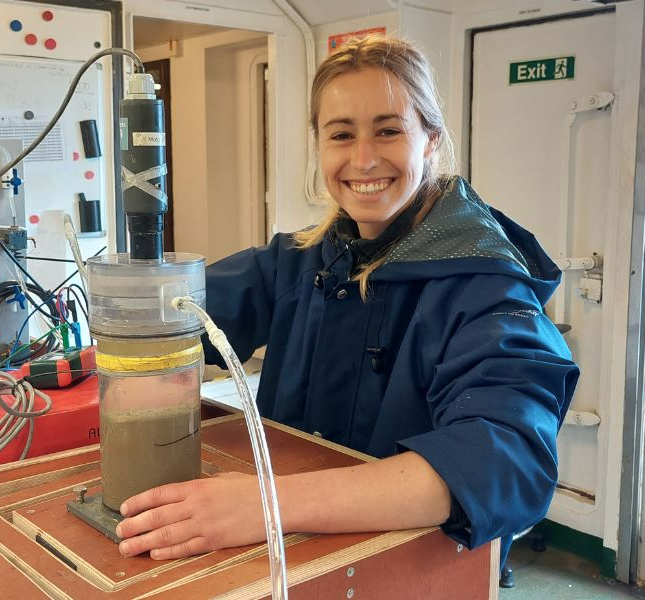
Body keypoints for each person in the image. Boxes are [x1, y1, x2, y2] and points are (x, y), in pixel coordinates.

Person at [113, 35, 579, 573]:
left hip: (414, 570)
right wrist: (98, 342)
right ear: (319, 145)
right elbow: (174, 314)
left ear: (429, 138)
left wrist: (265, 504)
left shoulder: (486, 288)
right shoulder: (302, 260)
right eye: (341, 134)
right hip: (296, 555)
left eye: (388, 130)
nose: (363, 158)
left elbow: (507, 463)